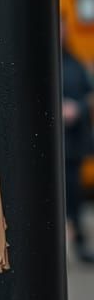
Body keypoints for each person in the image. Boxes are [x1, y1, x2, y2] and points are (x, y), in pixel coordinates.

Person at [62, 17, 94, 263]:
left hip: (72, 145)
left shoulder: (75, 64)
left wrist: (78, 109)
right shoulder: (40, 62)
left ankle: (80, 245)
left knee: (74, 197)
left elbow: (89, 96)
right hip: (50, 148)